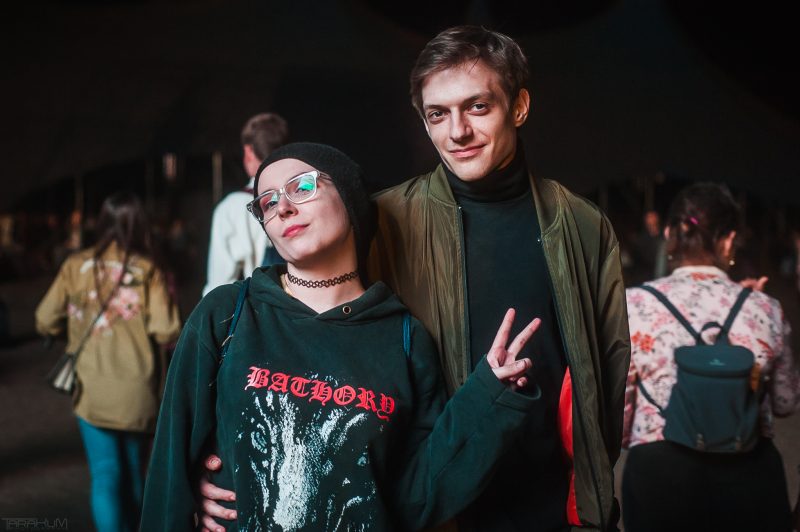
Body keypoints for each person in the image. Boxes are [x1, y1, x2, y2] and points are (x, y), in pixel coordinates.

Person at [199, 26, 630, 531]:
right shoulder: (383, 221)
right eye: (438, 114)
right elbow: (299, 344)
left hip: (552, 506)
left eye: (477, 107)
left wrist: (591, 491)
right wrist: (225, 461)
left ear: (519, 107)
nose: (457, 131)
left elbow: (607, 369)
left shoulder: (581, 225)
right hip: (424, 509)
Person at [141, 142, 542, 531]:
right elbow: (169, 467)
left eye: (303, 186)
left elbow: (416, 498)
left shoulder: (404, 337)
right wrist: (194, 491)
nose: (283, 207)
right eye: (268, 202)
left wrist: (489, 395)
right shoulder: (228, 313)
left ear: (349, 198)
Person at [622, 182, 800, 532]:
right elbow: (785, 401)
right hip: (748, 472)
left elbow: (620, 410)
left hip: (659, 474)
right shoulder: (765, 308)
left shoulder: (634, 304)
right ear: (729, 240)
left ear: (670, 235)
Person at [35, 191, 181, 532]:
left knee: (105, 475)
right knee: (135, 475)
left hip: (92, 391)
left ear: (102, 223)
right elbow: (167, 329)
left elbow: (44, 319)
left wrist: (70, 328)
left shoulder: (75, 265)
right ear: (140, 224)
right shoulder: (148, 269)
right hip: (137, 392)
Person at [203, 112, 288, 296]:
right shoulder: (303, 197)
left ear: (248, 152)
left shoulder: (231, 208)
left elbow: (219, 286)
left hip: (264, 306)